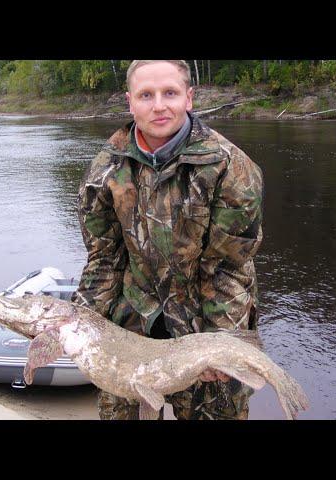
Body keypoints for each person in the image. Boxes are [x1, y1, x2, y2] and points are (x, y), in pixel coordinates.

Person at [72, 60, 264, 420]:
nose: (159, 105)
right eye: (146, 95)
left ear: (189, 98)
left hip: (208, 321)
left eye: (170, 93)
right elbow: (104, 261)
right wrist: (80, 324)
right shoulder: (104, 169)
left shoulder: (232, 168)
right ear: (130, 102)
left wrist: (220, 345)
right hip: (130, 329)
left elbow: (228, 269)